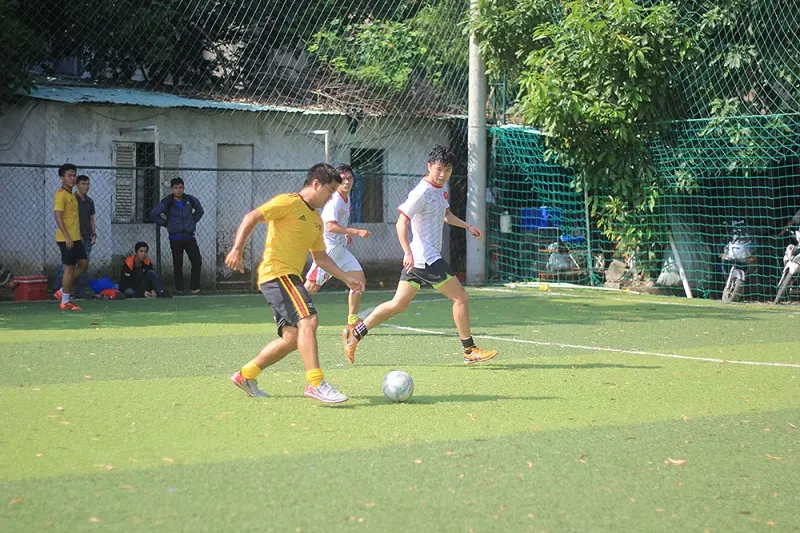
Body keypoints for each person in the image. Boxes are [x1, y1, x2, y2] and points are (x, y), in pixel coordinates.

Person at [342, 145, 498, 365]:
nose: (443, 174)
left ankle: (355, 333)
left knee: (398, 304)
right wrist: (407, 251)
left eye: (448, 170)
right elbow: (401, 222)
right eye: (439, 169)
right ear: (429, 167)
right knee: (460, 297)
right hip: (425, 258)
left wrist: (467, 226)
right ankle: (469, 349)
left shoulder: (439, 189)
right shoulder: (421, 192)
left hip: (420, 258)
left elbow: (445, 214)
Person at [225, 163, 365, 404]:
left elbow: (320, 257)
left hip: (286, 277)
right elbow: (253, 216)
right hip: (278, 274)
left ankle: (246, 375)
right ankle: (315, 383)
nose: (331, 196)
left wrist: (346, 277)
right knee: (309, 320)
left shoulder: (316, 221)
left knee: (291, 338)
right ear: (315, 184)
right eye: (329, 191)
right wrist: (237, 249)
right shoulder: (288, 202)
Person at [304, 164, 372, 325]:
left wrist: (346, 232)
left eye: (350, 178)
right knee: (312, 286)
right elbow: (330, 226)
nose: (347, 182)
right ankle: (287, 311)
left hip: (339, 249)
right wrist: (355, 231)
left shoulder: (346, 198)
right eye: (343, 179)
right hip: (328, 249)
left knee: (358, 281)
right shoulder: (334, 200)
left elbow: (338, 224)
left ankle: (352, 320)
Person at [151, 178, 204, 295]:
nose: (178, 190)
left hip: (189, 237)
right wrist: (165, 223)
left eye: (180, 188)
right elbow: (154, 213)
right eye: (176, 188)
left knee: (197, 261)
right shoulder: (167, 201)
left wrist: (192, 221)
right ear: (172, 189)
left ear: (183, 188)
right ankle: (179, 289)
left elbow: (200, 211)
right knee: (178, 263)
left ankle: (195, 287)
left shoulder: (190, 200)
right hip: (175, 238)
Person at [54, 174, 95, 297]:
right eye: (83, 184)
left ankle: (75, 290)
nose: (86, 186)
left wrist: (94, 234)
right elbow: (59, 215)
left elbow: (91, 219)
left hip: (86, 237)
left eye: (87, 184)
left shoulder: (89, 201)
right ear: (77, 185)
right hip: (74, 237)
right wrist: (71, 236)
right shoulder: (70, 197)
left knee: (84, 264)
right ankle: (58, 289)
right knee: (67, 267)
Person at [53, 163, 87, 311]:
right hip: (65, 239)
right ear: (62, 178)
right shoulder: (60, 195)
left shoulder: (72, 195)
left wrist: (77, 236)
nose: (72, 178)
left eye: (74, 175)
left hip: (76, 237)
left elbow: (73, 218)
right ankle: (65, 301)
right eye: (69, 176)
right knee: (69, 269)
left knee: (84, 264)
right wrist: (67, 237)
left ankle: (62, 291)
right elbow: (58, 216)